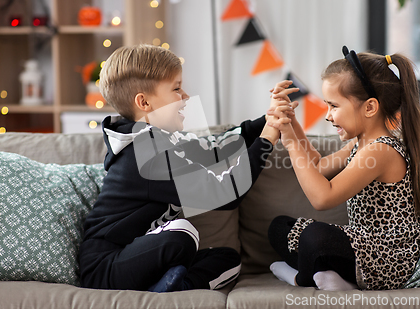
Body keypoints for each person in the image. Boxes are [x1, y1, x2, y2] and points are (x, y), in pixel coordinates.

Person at [78, 44, 297, 292]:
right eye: (176, 88)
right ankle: (168, 283)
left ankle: (176, 285)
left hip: (144, 256)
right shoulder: (145, 155)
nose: (185, 96)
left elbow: (216, 148)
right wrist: (267, 139)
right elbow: (226, 193)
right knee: (183, 232)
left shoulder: (164, 141)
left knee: (228, 259)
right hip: (107, 267)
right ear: (144, 102)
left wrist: (268, 119)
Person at [266, 46, 420, 291]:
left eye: (334, 106)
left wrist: (289, 142)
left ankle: (303, 278)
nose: (328, 116)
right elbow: (318, 168)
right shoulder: (361, 142)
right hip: (362, 246)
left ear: (370, 108)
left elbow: (322, 197)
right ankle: (329, 275)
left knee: (315, 238)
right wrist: (291, 123)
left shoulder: (381, 150)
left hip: (388, 261)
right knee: (280, 227)